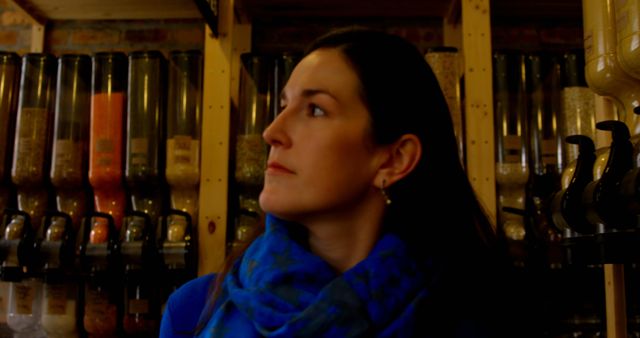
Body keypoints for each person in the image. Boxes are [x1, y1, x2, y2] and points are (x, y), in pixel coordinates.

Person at [160, 26, 515, 337]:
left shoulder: (474, 318)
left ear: (395, 159)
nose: (272, 132)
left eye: (315, 110)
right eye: (283, 106)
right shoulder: (191, 313)